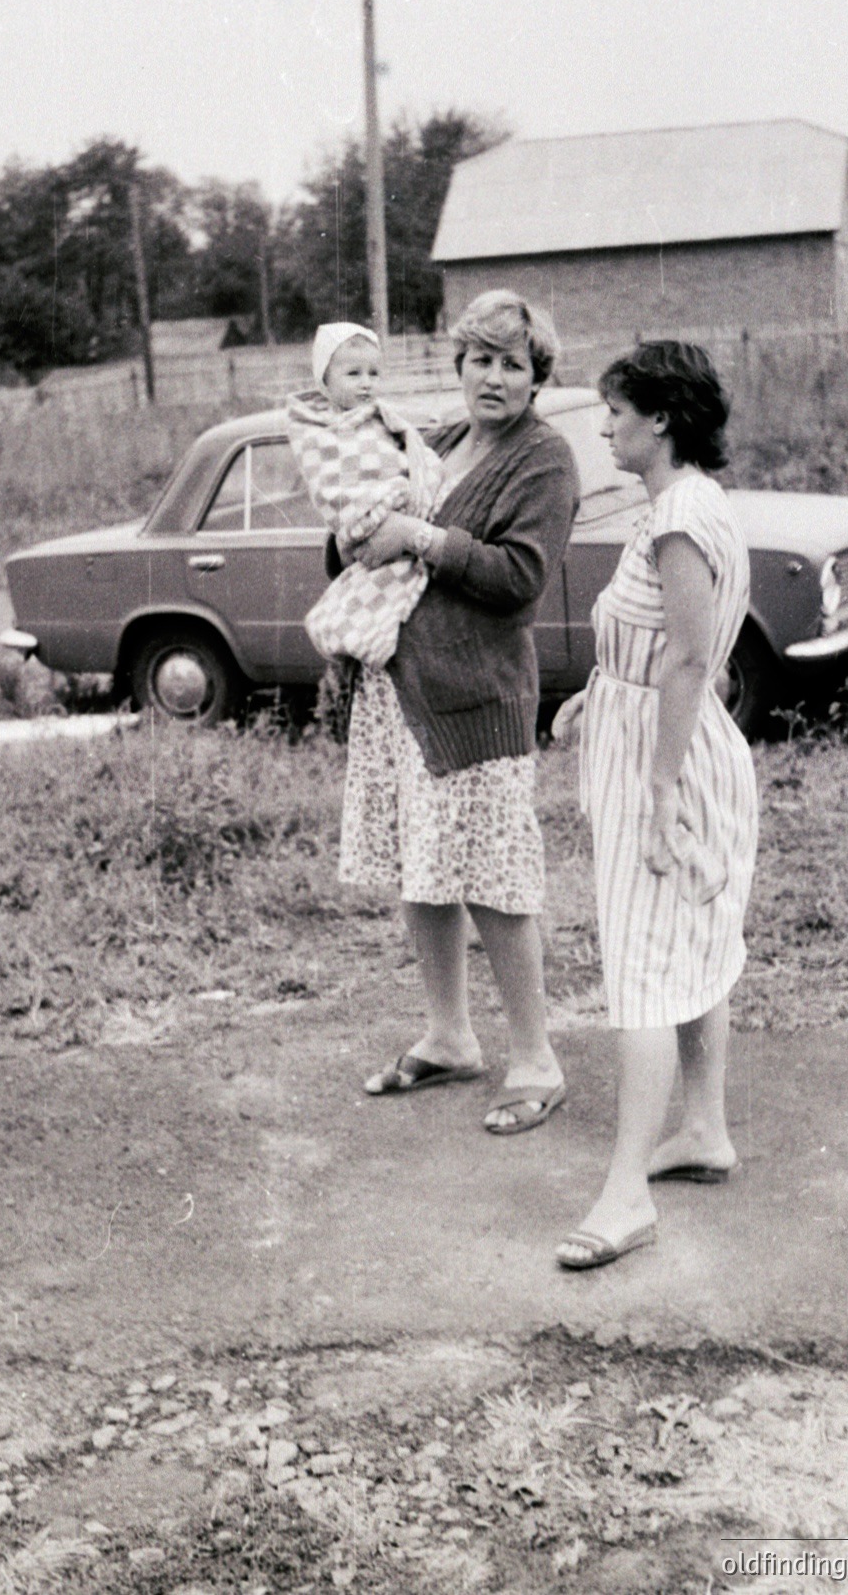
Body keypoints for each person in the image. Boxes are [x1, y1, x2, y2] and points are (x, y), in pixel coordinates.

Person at [335, 291, 580, 1133]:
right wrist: (357, 531)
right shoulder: (435, 440)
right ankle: (448, 1035)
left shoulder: (543, 460)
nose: (493, 376)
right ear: (460, 365)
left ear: (536, 377)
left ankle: (536, 1058)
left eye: (513, 363)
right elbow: (367, 519)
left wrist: (419, 538)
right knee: (422, 863)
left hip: (475, 700)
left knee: (495, 878)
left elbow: (519, 579)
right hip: (401, 691)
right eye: (480, 358)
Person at [553, 341, 758, 1270]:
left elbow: (684, 657)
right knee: (684, 949)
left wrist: (662, 787)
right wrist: (590, 695)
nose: (605, 428)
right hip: (653, 733)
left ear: (661, 419)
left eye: (615, 413)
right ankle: (702, 1129)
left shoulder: (679, 519)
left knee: (640, 962)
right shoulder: (688, 505)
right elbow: (651, 648)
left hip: (667, 756)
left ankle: (626, 1191)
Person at [287, 322, 444, 669]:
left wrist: (417, 479)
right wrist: (387, 499)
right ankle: (365, 636)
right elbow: (333, 487)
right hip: (374, 525)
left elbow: (410, 455)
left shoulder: (383, 418)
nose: (366, 382)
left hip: (404, 523)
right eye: (353, 373)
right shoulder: (320, 431)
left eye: (374, 373)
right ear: (325, 381)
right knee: (372, 594)